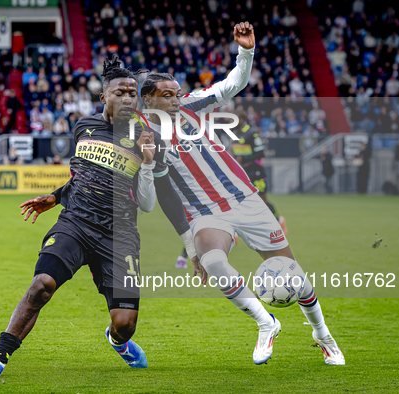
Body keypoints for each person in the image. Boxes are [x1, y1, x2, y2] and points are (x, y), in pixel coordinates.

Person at [0, 56, 194, 379]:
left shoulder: (147, 139)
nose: (128, 97)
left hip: (120, 235)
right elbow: (85, 174)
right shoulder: (83, 127)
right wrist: (57, 196)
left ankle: (118, 343)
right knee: (41, 286)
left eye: (133, 93)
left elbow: (146, 205)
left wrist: (146, 163)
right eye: (121, 92)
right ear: (104, 97)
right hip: (75, 223)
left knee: (124, 325)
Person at [140, 22, 344, 366]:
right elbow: (162, 191)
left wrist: (246, 51)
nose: (176, 99)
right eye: (167, 95)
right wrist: (190, 244)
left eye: (177, 92)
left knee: (293, 275)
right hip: (207, 213)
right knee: (213, 261)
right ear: (148, 99)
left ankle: (322, 334)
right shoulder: (144, 136)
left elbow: (236, 82)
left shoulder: (192, 106)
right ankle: (267, 323)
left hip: (246, 200)